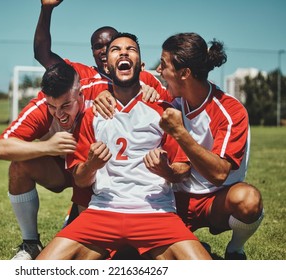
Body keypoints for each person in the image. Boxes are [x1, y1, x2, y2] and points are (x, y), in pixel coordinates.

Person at [3, 0, 164, 260]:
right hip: (73, 164)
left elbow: (169, 109)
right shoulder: (79, 76)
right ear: (92, 52)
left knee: (108, 251)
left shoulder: (141, 79)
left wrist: (153, 93)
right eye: (97, 46)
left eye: (109, 45)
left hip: (112, 174)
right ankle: (30, 242)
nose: (103, 50)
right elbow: (42, 54)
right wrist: (46, 9)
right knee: (20, 164)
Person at [36, 32, 212, 260]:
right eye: (115, 50)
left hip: (155, 213)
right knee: (40, 267)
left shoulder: (163, 111)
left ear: (141, 64)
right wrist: (91, 165)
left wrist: (165, 171)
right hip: (103, 212)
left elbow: (184, 170)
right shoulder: (92, 114)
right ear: (106, 68)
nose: (124, 53)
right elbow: (79, 179)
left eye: (131, 49)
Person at [154, 32, 264, 260]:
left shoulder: (230, 111)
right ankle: (192, 243)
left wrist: (180, 132)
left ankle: (236, 249)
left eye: (163, 65)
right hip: (177, 198)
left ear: (184, 73)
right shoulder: (172, 99)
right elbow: (130, 85)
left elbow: (219, 173)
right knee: (140, 254)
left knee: (249, 200)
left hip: (217, 201)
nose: (159, 71)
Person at [0, 62, 109, 259]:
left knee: (92, 245)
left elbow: (136, 89)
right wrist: (47, 147)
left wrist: (149, 88)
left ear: (80, 93)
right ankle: (30, 243)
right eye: (52, 107)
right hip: (63, 170)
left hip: (101, 172)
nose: (59, 114)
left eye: (66, 105)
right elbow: (0, 148)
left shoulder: (100, 91)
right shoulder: (40, 108)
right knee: (19, 165)